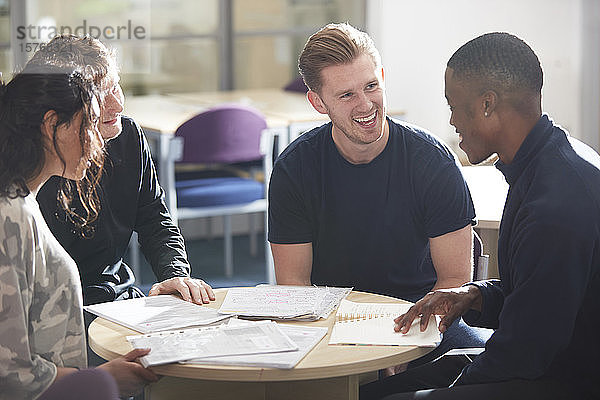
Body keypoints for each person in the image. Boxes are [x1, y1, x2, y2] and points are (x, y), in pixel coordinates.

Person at [368, 32, 600, 399]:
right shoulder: (544, 165)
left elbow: (526, 352)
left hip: (567, 379)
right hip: (543, 360)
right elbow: (537, 295)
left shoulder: (555, 204)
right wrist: (473, 294)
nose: (452, 121)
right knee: (373, 392)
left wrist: (456, 387)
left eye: (454, 106)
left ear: (487, 104)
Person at [268, 22, 491, 368]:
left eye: (371, 86)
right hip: (332, 326)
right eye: (346, 95)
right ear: (318, 102)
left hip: (422, 318)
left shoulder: (432, 161)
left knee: (483, 368)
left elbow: (453, 281)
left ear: (383, 77)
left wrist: (403, 344)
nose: (365, 105)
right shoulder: (293, 170)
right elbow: (295, 286)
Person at [0, 62, 158, 399]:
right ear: (52, 125)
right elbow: (9, 373)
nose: (97, 144)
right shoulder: (9, 216)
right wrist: (102, 382)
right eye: (88, 127)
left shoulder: (23, 200)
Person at [32, 35, 215, 307]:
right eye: (100, 95)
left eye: (115, 87)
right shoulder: (33, 165)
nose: (116, 105)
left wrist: (175, 274)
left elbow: (155, 219)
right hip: (57, 307)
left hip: (119, 296)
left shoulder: (127, 135)